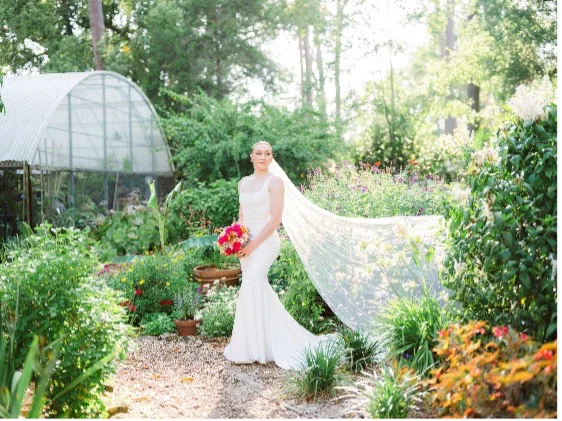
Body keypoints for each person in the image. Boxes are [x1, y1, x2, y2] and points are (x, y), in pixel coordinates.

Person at [223, 140, 333, 370]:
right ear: (251, 156)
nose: (262, 157)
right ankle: (253, 345)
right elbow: (242, 217)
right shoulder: (243, 183)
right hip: (247, 245)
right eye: (258, 153)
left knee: (253, 282)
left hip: (265, 243)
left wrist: (252, 245)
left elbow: (275, 220)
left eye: (267, 153)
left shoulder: (275, 182)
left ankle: (262, 346)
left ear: (271, 158)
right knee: (252, 287)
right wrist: (236, 241)